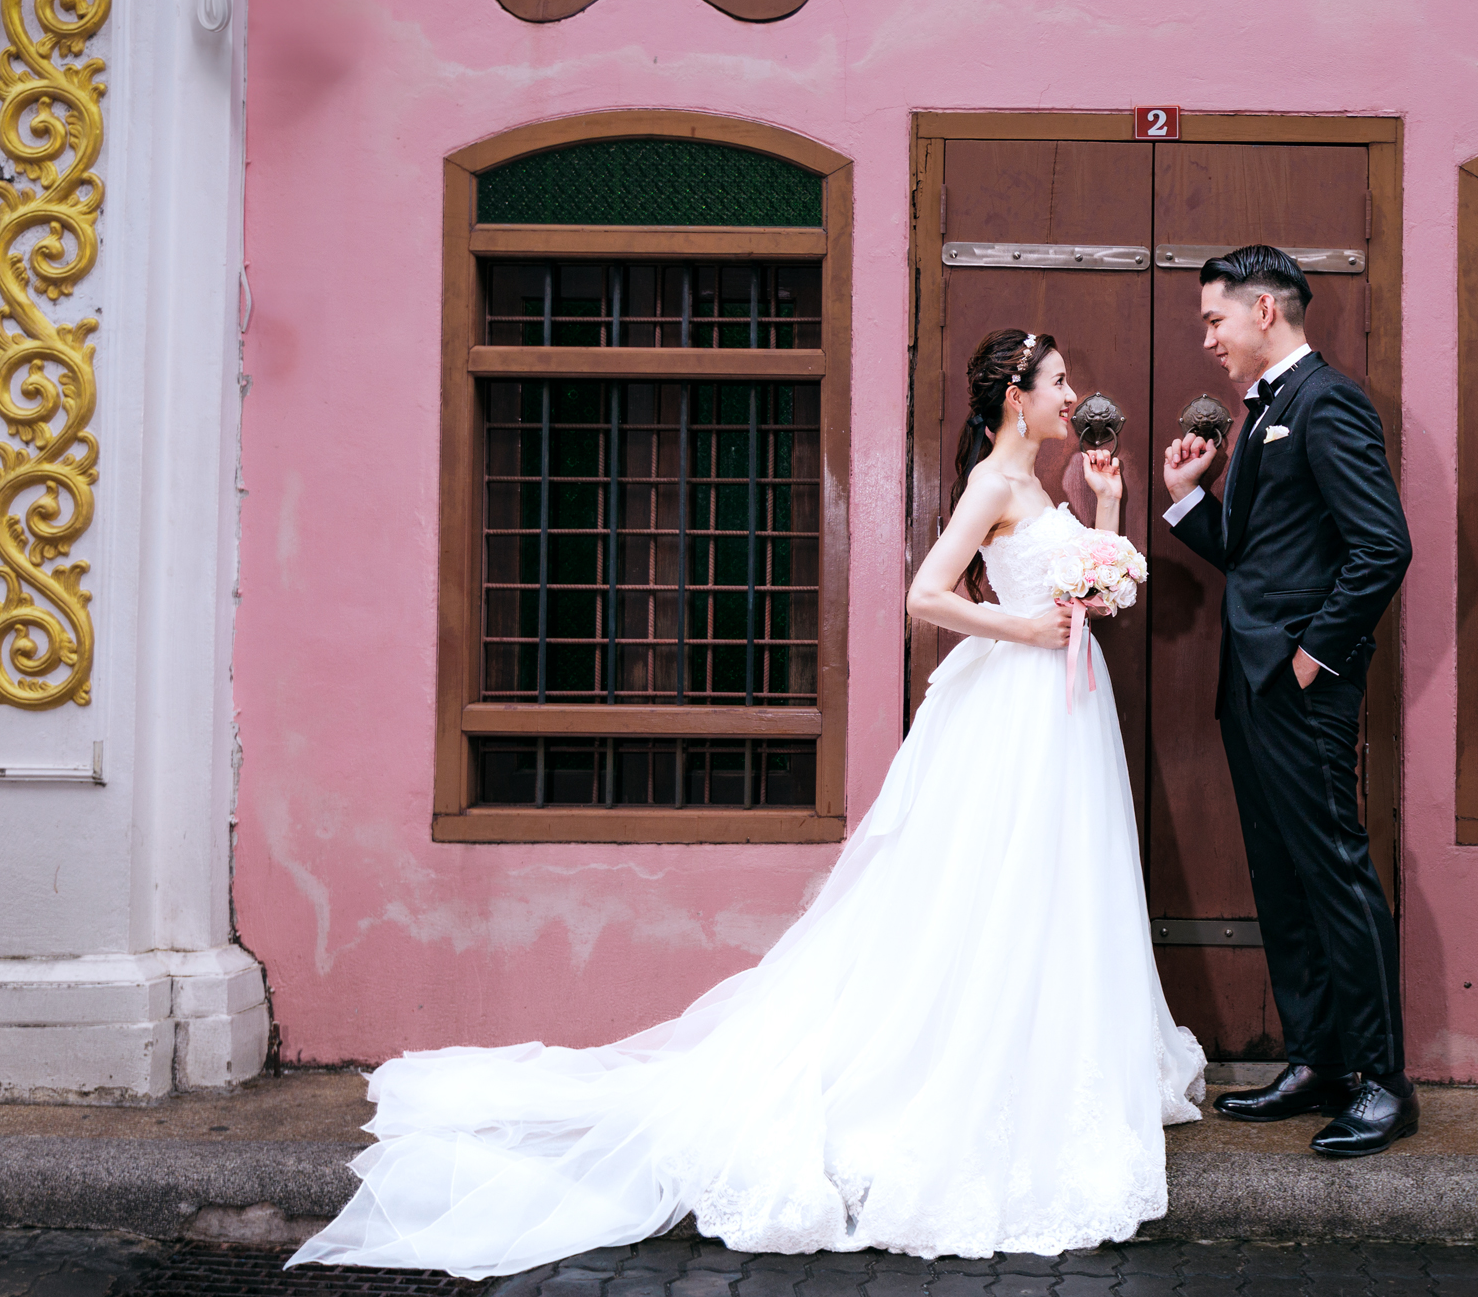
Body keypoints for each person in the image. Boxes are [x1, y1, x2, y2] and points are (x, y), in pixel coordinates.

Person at [290, 329, 1204, 1280]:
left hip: (1062, 716)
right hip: (1016, 711)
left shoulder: (1046, 487)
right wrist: (1017, 627)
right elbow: (925, 595)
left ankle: (1052, 1062)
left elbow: (1090, 588)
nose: (1073, 395)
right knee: (996, 887)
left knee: (1056, 887)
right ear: (1019, 396)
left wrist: (1106, 505)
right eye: (1059, 382)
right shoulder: (992, 486)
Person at [1160, 245, 1416, 1158]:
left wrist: (1315, 657)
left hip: (1303, 689)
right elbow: (1259, 555)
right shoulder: (1265, 411)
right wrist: (1189, 501)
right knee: (1281, 879)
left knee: (1337, 877)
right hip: (1253, 689)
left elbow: (1382, 547)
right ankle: (1319, 1059)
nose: (1207, 339)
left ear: (1264, 309)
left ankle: (1382, 1081)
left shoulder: (1329, 402)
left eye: (1214, 320)